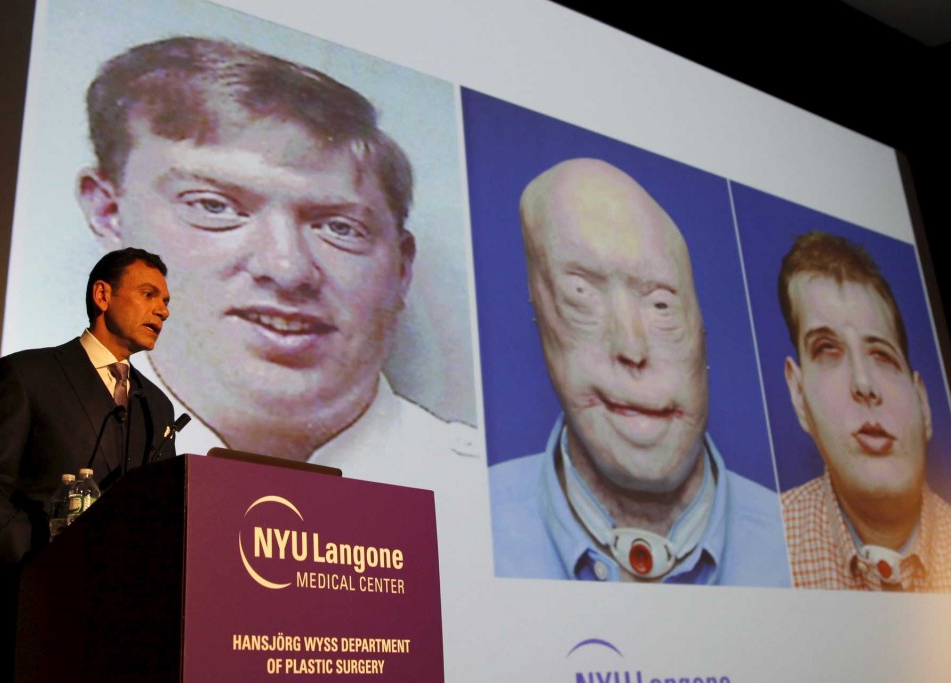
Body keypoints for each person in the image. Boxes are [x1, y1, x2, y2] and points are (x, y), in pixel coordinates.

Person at [75, 37, 477, 483]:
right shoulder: (20, 475)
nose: (288, 269)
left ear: (402, 269)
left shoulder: (488, 493)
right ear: (109, 213)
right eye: (214, 206)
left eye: (340, 227)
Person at [489, 158, 789, 586]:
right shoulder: (475, 525)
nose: (632, 348)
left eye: (662, 305)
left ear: (703, 334)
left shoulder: (791, 545)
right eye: (581, 294)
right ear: (540, 315)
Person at [0, 248, 178, 681]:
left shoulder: (157, 407)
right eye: (149, 294)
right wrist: (40, 559)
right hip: (35, 617)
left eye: (166, 302)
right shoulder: (28, 375)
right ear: (103, 295)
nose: (162, 310)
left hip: (126, 636)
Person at [778, 231, 951, 591]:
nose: (864, 384)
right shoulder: (767, 545)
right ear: (798, 395)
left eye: (882, 355)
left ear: (923, 403)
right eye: (827, 349)